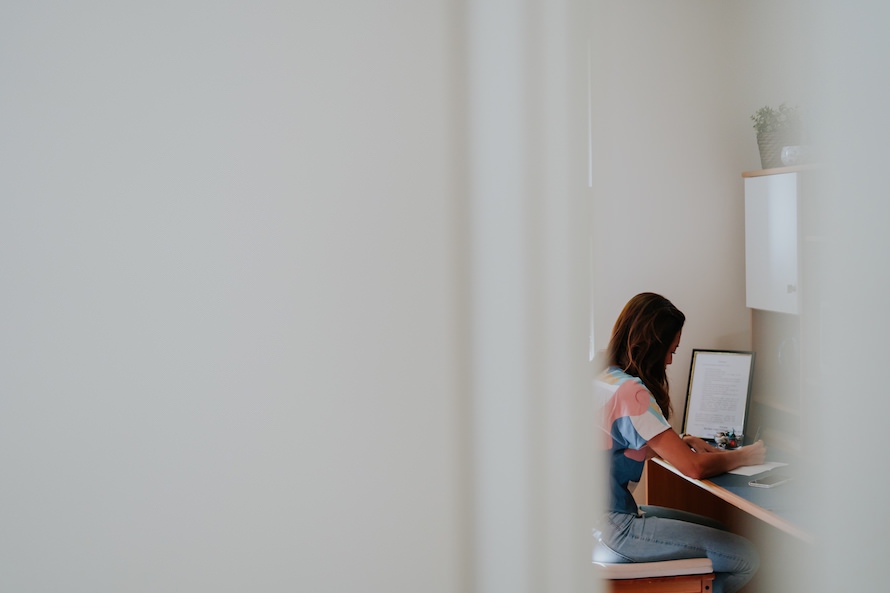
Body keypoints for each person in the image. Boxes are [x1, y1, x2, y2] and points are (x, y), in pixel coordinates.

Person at [593, 292, 766, 593]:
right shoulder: (632, 393)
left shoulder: (605, 377)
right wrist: (745, 455)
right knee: (746, 556)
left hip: (593, 528)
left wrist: (678, 442)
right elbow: (694, 469)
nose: (671, 360)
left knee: (722, 532)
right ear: (651, 348)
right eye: (671, 351)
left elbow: (622, 445)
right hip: (616, 530)